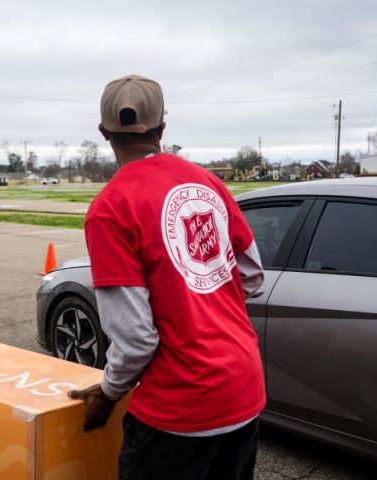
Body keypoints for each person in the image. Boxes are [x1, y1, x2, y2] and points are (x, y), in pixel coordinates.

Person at [68, 75, 266, 480]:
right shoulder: (209, 183)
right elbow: (251, 275)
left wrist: (108, 393)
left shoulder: (110, 208)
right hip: (243, 388)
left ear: (104, 133)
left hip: (179, 413)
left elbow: (137, 338)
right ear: (163, 127)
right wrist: (199, 300)